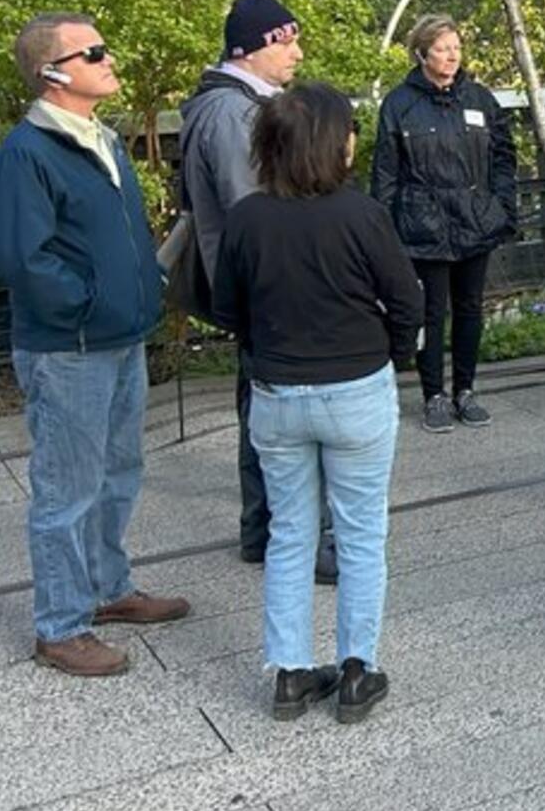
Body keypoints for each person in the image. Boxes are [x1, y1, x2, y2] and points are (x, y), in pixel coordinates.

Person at [212, 83, 422, 725]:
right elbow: (408, 301)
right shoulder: (360, 214)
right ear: (335, 143)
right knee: (360, 534)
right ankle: (359, 667)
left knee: (290, 533)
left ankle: (291, 672)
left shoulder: (247, 217)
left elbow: (227, 309)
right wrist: (389, 354)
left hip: (276, 394)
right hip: (355, 387)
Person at [0, 12, 185, 677]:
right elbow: (25, 260)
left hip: (119, 338)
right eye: (92, 51)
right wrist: (90, 305)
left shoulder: (100, 138)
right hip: (69, 347)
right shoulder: (26, 153)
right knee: (65, 491)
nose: (108, 58)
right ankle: (61, 627)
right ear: (52, 72)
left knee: (118, 473)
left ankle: (108, 590)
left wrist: (142, 290)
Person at [179, 0, 336, 583]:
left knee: (263, 405)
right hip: (265, 283)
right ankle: (280, 533)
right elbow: (254, 210)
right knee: (277, 412)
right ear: (251, 49)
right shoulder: (230, 113)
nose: (296, 52)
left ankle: (263, 530)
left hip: (256, 280)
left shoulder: (240, 104)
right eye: (285, 41)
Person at [371, 15, 518, 435]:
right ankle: (433, 393)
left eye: (456, 47)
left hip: (474, 218)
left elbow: (504, 156)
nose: (452, 56)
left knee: (471, 307)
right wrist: (386, 230)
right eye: (442, 48)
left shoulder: (479, 98)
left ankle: (466, 389)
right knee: (431, 312)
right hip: (422, 223)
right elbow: (385, 173)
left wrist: (501, 206)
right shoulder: (399, 104)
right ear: (421, 53)